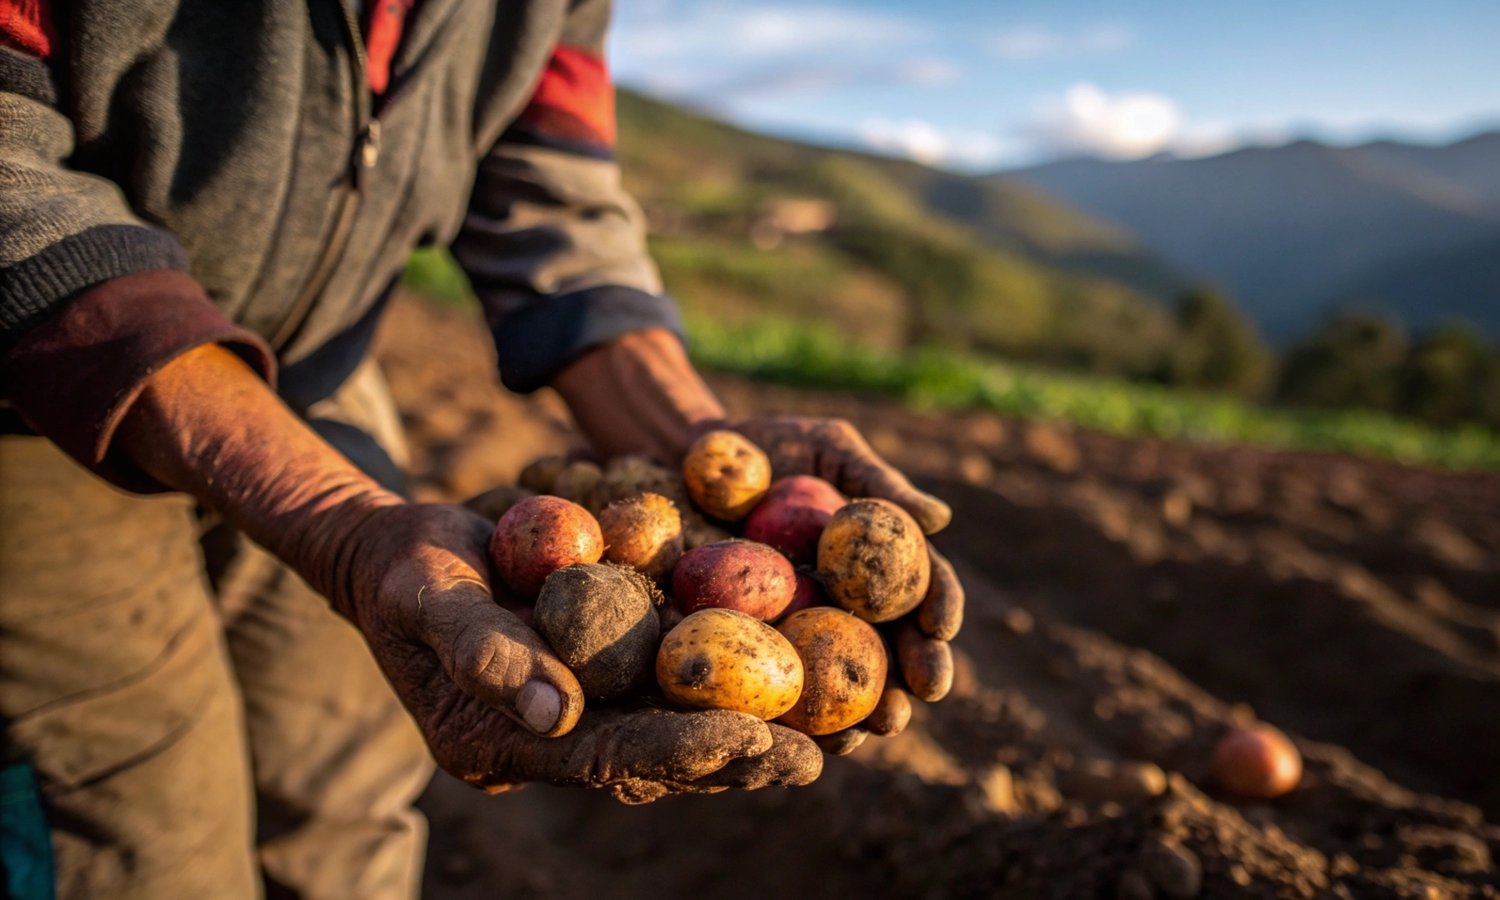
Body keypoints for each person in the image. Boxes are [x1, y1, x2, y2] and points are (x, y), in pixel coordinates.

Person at [0, 1, 964, 897]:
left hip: (317, 372)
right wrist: (339, 526)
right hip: (36, 387)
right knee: (138, 841)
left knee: (344, 797)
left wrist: (684, 434)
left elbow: (547, 177)